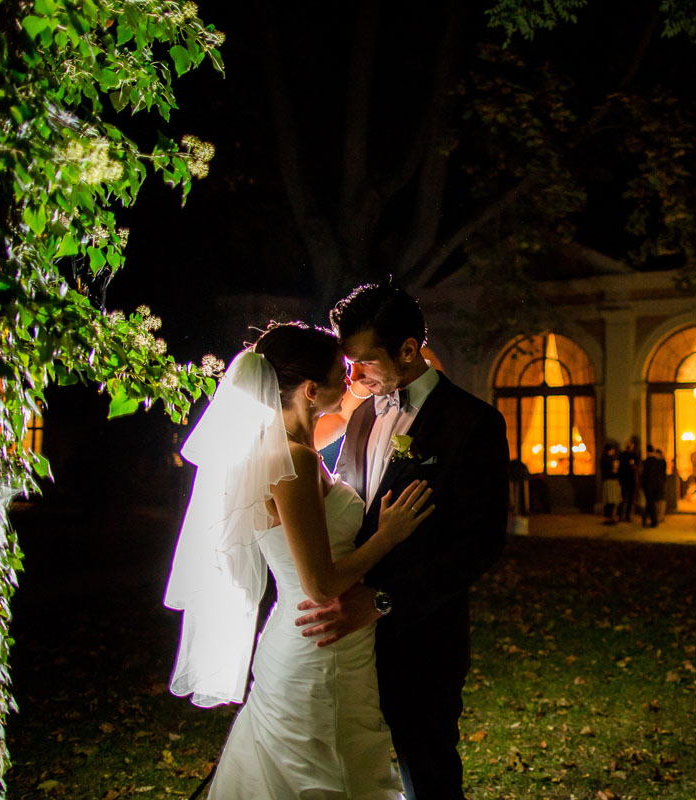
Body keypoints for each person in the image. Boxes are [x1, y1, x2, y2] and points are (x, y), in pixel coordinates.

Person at [165, 322, 433, 798]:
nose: (351, 379)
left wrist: (381, 377)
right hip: (319, 642)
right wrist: (387, 536)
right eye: (342, 373)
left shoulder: (286, 444)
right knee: (336, 774)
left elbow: (339, 413)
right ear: (311, 390)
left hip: (305, 638)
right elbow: (322, 583)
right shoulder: (295, 462)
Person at [295, 280, 509, 800]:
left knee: (427, 769)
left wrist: (386, 600)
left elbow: (480, 544)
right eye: (348, 364)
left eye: (364, 362)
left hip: (424, 636)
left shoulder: (473, 423)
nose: (353, 376)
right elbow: (348, 505)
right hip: (348, 633)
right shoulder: (364, 412)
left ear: (409, 351)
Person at [640, 444, 667, 528]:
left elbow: (644, 475)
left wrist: (642, 485)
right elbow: (662, 474)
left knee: (650, 503)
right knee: (651, 503)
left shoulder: (646, 462)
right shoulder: (658, 462)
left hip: (649, 486)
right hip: (657, 485)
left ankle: (652, 520)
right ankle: (647, 519)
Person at [616, 437, 640, 521]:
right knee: (624, 499)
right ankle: (621, 515)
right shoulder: (623, 455)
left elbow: (637, 466)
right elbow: (620, 468)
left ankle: (627, 516)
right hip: (625, 480)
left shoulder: (635, 455)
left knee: (630, 499)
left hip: (631, 480)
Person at [599, 443, 621, 525]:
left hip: (609, 481)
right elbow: (612, 470)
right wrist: (614, 468)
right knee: (611, 500)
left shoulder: (605, 458)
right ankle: (610, 517)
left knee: (610, 500)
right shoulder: (608, 459)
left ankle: (610, 517)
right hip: (610, 481)